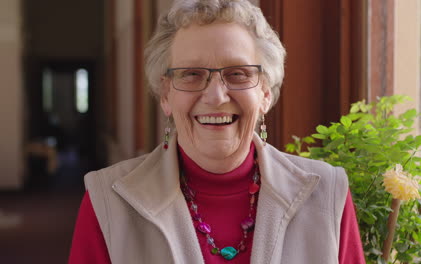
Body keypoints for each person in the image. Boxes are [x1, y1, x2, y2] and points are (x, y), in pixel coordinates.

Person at [69, 0, 365, 263]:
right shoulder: (107, 202)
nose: (216, 96)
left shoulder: (327, 193)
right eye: (191, 74)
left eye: (237, 74)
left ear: (265, 93)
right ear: (165, 95)